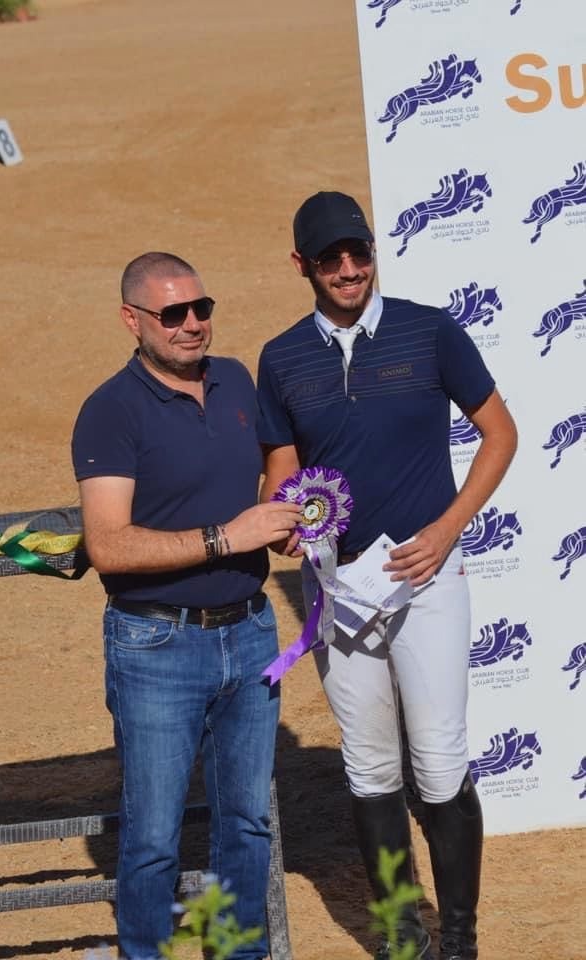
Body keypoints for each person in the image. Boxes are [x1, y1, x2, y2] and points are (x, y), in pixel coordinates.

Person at [257, 192, 518, 960]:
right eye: (330, 258)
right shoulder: (280, 358)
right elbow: (283, 472)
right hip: (338, 590)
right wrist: (286, 521)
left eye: (359, 253)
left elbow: (500, 433)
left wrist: (446, 529)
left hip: (428, 581)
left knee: (438, 762)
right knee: (370, 766)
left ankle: (459, 942)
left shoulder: (430, 330)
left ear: (373, 252)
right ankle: (405, 940)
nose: (349, 269)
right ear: (302, 265)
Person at [71, 251, 302, 960]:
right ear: (132, 319)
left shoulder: (235, 379)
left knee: (247, 824)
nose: (192, 323)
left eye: (202, 308)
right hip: (156, 645)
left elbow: (279, 452)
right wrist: (228, 536)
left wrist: (282, 509)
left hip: (251, 631)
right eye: (173, 313)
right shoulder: (110, 411)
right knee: (151, 837)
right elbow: (108, 545)